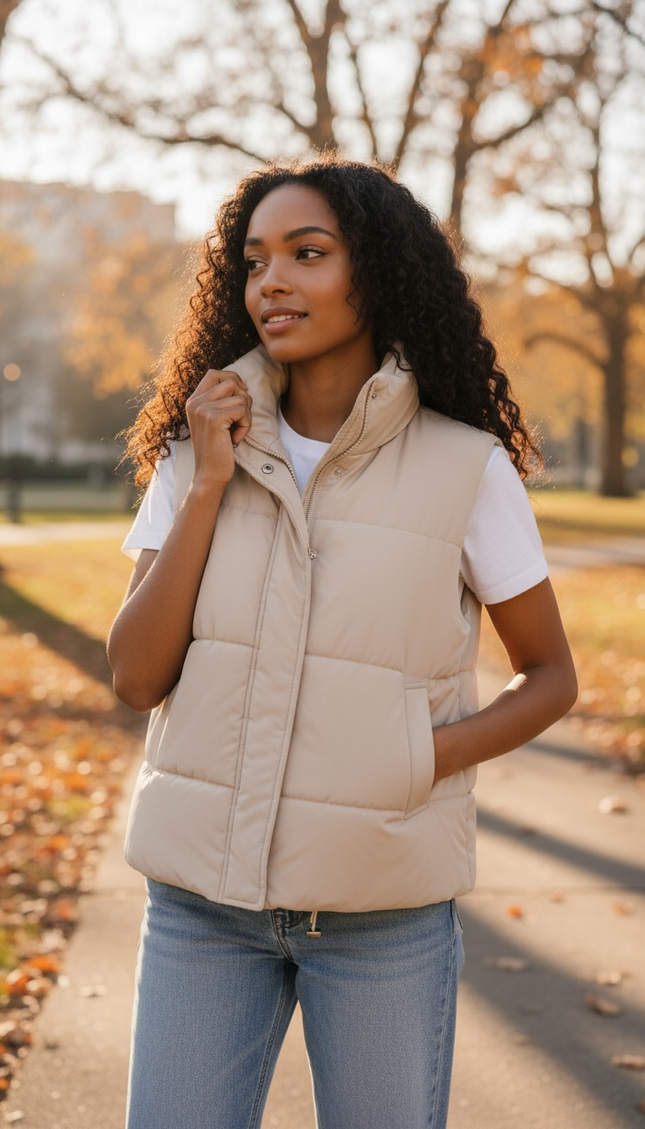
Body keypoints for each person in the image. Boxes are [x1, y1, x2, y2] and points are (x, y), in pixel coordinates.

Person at [108, 155, 577, 1129]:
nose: (271, 281)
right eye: (254, 261)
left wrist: (416, 757)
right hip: (202, 906)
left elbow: (549, 675)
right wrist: (208, 484)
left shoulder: (466, 468)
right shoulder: (197, 451)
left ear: (379, 270)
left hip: (382, 916)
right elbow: (137, 674)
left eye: (307, 253)